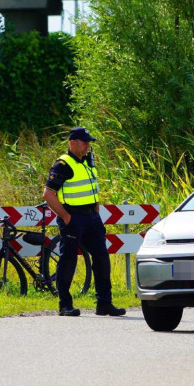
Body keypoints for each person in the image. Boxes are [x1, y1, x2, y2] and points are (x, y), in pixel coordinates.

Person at [43, 127, 127, 317]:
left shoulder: (87, 162)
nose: (88, 145)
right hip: (73, 217)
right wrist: (66, 217)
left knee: (102, 258)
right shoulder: (62, 165)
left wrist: (96, 208)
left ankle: (104, 304)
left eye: (89, 142)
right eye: (84, 142)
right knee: (68, 260)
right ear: (72, 143)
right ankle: (65, 305)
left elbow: (92, 188)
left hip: (91, 217)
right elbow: (48, 194)